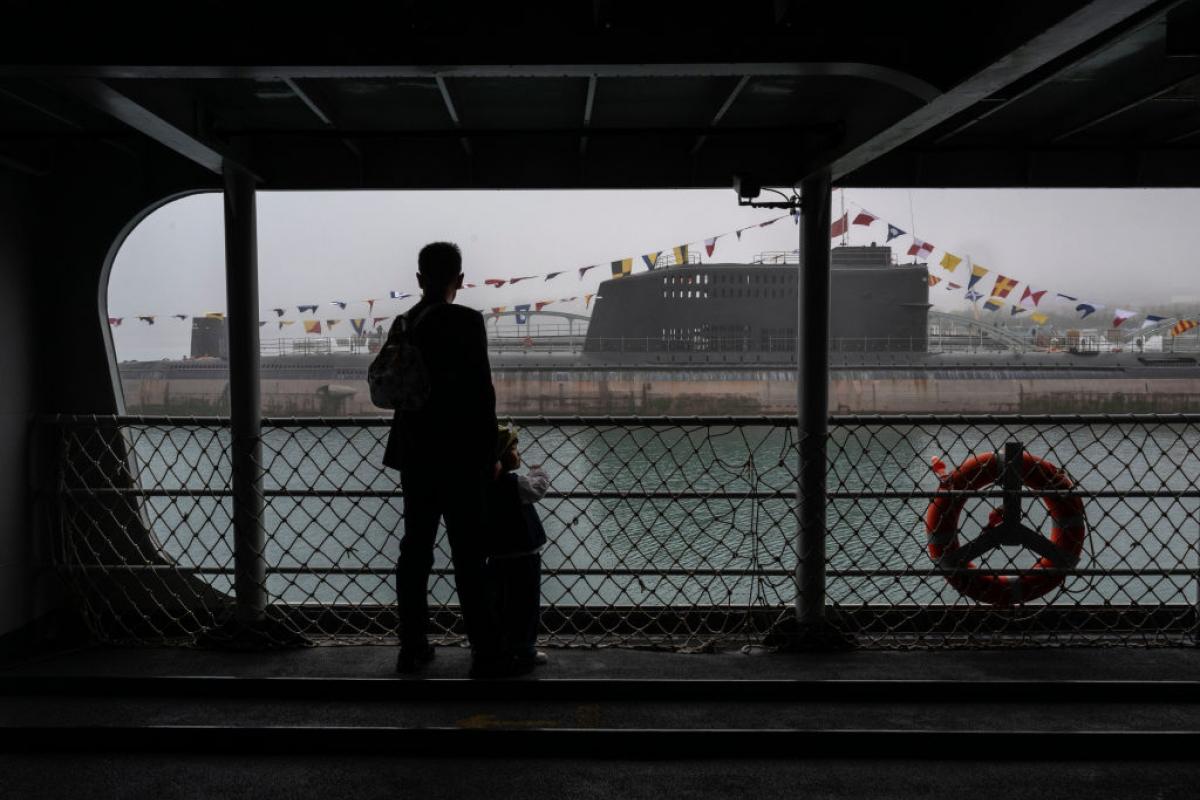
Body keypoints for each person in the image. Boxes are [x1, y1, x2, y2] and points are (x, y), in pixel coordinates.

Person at [382, 241, 504, 678]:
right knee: (471, 554)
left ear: (419, 280)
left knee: (415, 550)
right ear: (460, 280)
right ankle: (484, 649)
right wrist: (491, 452)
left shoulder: (406, 321)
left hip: (416, 452)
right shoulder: (468, 321)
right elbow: (481, 392)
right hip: (462, 454)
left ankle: (412, 646)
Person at [486, 425, 550, 671]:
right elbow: (538, 489)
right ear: (502, 455)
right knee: (525, 604)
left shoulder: (484, 485)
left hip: (497, 555)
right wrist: (539, 471)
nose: (518, 453)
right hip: (525, 555)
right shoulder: (515, 483)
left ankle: (499, 645)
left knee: (500, 603)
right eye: (514, 449)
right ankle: (525, 649)